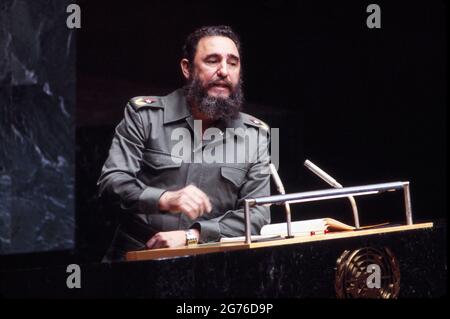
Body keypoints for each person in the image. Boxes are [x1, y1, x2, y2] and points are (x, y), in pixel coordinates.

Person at [97, 25, 271, 262]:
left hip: (212, 264)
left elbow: (258, 215)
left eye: (233, 62)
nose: (224, 71)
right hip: (137, 259)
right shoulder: (146, 116)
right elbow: (111, 183)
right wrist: (164, 199)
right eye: (212, 60)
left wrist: (193, 235)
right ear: (187, 68)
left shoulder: (256, 135)